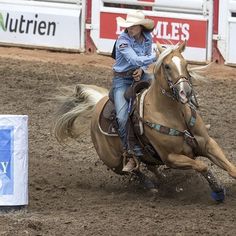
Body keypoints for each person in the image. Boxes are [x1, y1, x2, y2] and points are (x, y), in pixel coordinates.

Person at [112, 10, 157, 172]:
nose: (129, 29)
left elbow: (141, 60)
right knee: (122, 117)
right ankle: (130, 152)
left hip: (140, 74)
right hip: (122, 79)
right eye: (128, 27)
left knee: (166, 86)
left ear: (140, 27)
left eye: (132, 27)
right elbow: (134, 58)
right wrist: (155, 57)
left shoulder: (147, 38)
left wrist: (142, 68)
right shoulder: (122, 40)